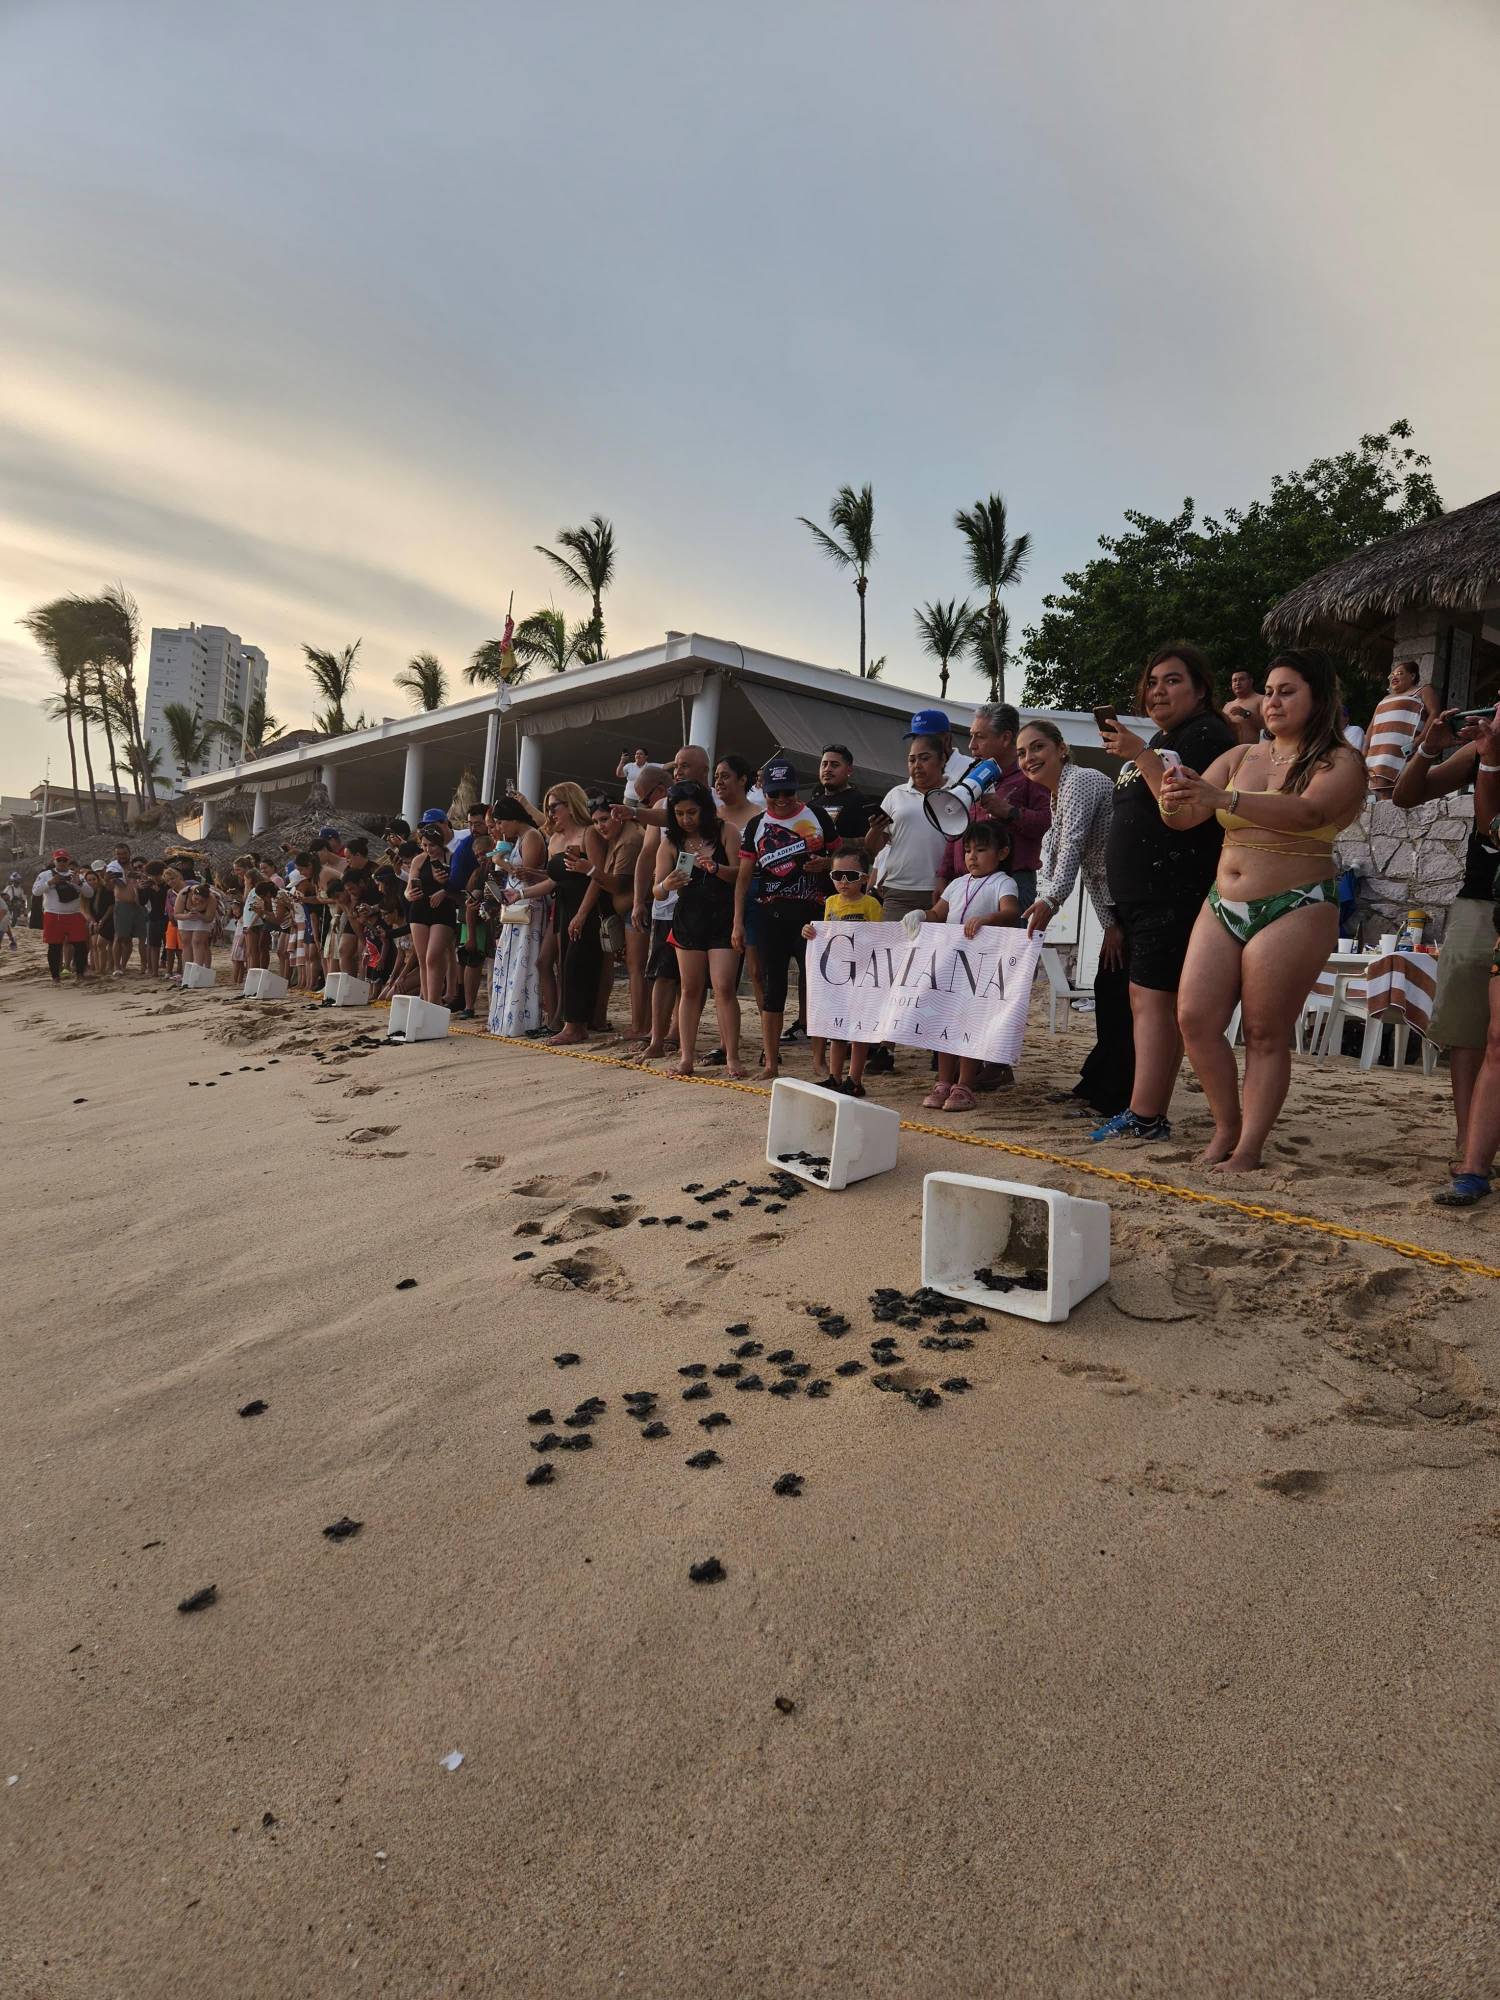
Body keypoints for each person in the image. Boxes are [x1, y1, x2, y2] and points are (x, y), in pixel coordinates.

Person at [1164, 648, 1368, 1172]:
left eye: (1287, 691)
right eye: (1270, 691)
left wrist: (1221, 800)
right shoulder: (1241, 757)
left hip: (1296, 903)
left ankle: (1250, 1146)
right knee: (1194, 1017)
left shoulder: (1340, 761)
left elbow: (1309, 812)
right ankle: (1226, 1126)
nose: (1272, 701)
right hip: (1223, 900)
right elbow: (1185, 816)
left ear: (1318, 697)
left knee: (1263, 1029)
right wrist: (1169, 788)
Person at [1090, 645, 1237, 1142]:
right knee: (1149, 1000)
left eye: (1172, 681)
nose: (1158, 691)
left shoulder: (1207, 734)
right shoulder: (1161, 738)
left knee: (1151, 1000)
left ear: (1200, 689)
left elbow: (1178, 804)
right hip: (1143, 894)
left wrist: (1139, 754)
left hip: (1173, 889)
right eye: (1151, 682)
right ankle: (1146, 1109)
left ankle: (1146, 1114)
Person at [1392, 708, 1500, 1175]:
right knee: (1466, 1030)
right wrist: (1430, 747)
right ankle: (1468, 1144)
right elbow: (1405, 796)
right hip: (1480, 896)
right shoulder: (1480, 750)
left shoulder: (1488, 754)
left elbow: (1489, 825)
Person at [1018, 720, 1129, 1118]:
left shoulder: (1080, 780)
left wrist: (1050, 901)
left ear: (1061, 749)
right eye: (1022, 752)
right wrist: (1110, 922)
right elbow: (1088, 865)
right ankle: (1096, 1085)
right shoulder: (1057, 794)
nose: (1029, 758)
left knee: (1119, 998)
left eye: (1037, 747)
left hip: (1133, 898)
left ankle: (1113, 1095)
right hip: (1115, 905)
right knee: (1110, 992)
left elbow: (1076, 849)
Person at [1428, 706, 1500, 1205]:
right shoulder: (1485, 746)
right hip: (1487, 896)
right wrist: (1489, 756)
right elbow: (1492, 828)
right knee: (1490, 1035)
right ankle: (1473, 1159)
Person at [734, 757, 837, 1080]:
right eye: (775, 794)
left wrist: (827, 864)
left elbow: (844, 856)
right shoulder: (755, 825)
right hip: (769, 916)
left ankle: (818, 1061)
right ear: (764, 791)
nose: (781, 800)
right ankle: (771, 1062)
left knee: (816, 986)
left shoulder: (817, 816)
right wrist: (737, 921)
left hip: (813, 915)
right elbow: (743, 877)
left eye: (788, 793)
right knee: (772, 985)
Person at [920, 821, 1021, 1112]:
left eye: (980, 849)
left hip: (979, 967)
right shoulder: (956, 883)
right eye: (967, 850)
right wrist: (919, 916)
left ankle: (965, 1083)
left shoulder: (1003, 881)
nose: (971, 857)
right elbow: (938, 913)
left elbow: (1011, 912)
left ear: (1002, 853)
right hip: (950, 964)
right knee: (944, 1024)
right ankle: (943, 1082)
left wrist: (988, 919)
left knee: (968, 1024)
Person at [655, 780, 744, 1076]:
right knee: (690, 988)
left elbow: (740, 875)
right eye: (679, 814)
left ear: (705, 810)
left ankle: (732, 1057)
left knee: (723, 987)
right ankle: (686, 1058)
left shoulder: (726, 831)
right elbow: (657, 891)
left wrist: (716, 868)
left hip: (722, 914)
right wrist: (667, 883)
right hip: (688, 918)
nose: (686, 819)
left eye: (692, 812)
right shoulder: (670, 842)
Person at [939, 704, 1051, 913]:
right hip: (967, 882)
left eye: (980, 737)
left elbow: (1046, 822)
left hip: (1013, 880)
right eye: (972, 736)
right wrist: (944, 875)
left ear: (1006, 738)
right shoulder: (971, 774)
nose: (972, 745)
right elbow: (956, 827)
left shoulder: (1030, 775)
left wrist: (1009, 812)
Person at [801, 854, 884, 1094]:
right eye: (838, 876)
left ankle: (855, 1080)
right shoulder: (830, 902)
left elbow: (880, 938)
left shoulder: (871, 905)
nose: (844, 881)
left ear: (864, 878)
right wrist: (809, 931)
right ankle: (834, 1077)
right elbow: (825, 934)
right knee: (835, 1029)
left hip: (862, 975)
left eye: (852, 876)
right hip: (836, 976)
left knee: (858, 1030)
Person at [542, 781, 608, 1047]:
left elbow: (597, 877)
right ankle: (572, 1021)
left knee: (579, 963)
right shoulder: (555, 838)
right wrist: (521, 893)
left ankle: (576, 1025)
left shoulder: (588, 833)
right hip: (564, 905)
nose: (550, 813)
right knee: (565, 964)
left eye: (554, 806)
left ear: (570, 805)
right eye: (547, 808)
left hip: (586, 905)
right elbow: (553, 881)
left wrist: (581, 914)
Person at [864, 734, 952, 924]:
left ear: (942, 759)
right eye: (912, 760)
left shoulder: (957, 794)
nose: (917, 765)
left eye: (924, 758)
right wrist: (875, 830)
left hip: (944, 892)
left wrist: (947, 880)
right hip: (898, 892)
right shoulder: (896, 794)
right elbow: (874, 848)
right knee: (894, 950)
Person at [487, 798, 550, 1035]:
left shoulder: (532, 836)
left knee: (523, 957)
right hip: (517, 903)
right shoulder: (521, 839)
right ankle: (507, 1017)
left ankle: (521, 1018)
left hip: (528, 902)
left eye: (501, 822)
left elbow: (527, 875)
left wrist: (501, 863)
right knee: (512, 958)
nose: (500, 827)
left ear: (514, 819)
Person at [1365, 659, 1442, 795]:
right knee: (1381, 791)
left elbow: (1434, 713)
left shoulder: (1422, 691)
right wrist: (1364, 750)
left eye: (1399, 673)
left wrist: (1420, 739)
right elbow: (1372, 726)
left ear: (1412, 676)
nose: (1394, 677)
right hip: (1379, 751)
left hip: (1405, 748)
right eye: (1392, 675)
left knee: (1398, 790)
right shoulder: (1385, 699)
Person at [405, 823, 459, 1003]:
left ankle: (435, 1001)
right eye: (425, 845)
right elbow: (407, 889)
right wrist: (410, 894)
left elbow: (461, 886)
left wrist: (445, 889)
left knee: (433, 956)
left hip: (444, 911)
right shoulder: (419, 860)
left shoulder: (452, 857)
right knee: (423, 960)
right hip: (420, 909)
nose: (429, 849)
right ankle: (428, 1000)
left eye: (432, 845)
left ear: (441, 843)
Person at [40, 854, 91, 982]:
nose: (62, 862)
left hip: (74, 914)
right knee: (54, 946)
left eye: (64, 860)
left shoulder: (76, 875)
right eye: (59, 860)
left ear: (68, 861)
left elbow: (90, 893)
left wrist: (78, 883)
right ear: (54, 861)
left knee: (80, 945)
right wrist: (50, 882)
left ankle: (80, 973)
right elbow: (36, 892)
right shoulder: (46, 875)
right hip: (53, 914)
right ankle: (55, 976)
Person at [173, 862, 215, 981]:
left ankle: (198, 970)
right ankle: (188, 972)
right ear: (192, 894)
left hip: (202, 918)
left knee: (198, 942)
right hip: (185, 916)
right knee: (186, 943)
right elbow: (176, 914)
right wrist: (187, 916)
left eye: (200, 901)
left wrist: (200, 916)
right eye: (196, 899)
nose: (197, 902)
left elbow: (209, 918)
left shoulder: (211, 898)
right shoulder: (183, 894)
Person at [109, 860, 145, 977]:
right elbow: (109, 883)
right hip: (123, 904)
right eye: (135, 867)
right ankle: (117, 966)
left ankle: (127, 965)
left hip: (140, 907)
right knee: (120, 936)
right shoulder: (116, 869)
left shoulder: (143, 877)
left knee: (141, 937)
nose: (137, 869)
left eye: (140, 866)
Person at [1224, 669, 1265, 745]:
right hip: (1229, 751)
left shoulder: (1261, 699)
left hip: (1251, 751)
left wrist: (1246, 713)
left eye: (1241, 679)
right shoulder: (1227, 705)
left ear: (1251, 681)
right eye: (1234, 680)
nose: (1237, 683)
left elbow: (1267, 726)